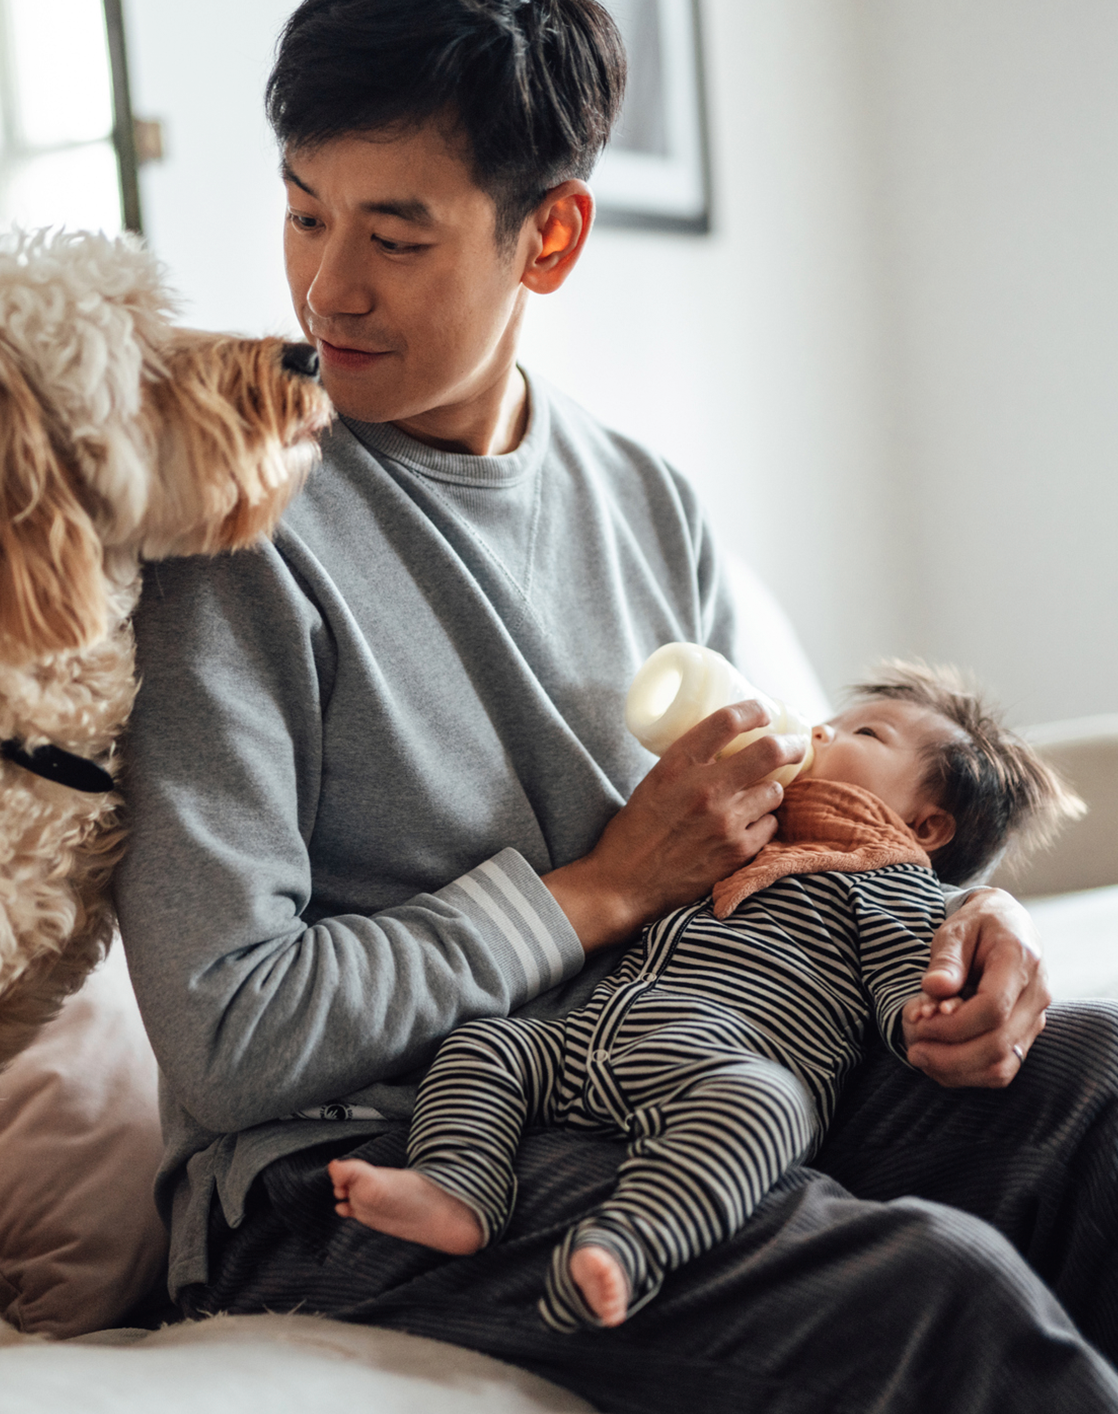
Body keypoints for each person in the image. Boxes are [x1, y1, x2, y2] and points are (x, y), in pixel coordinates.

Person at [115, 2, 1118, 1408]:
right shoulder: (234, 528)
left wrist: (972, 918)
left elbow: (801, 836)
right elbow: (228, 1041)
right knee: (930, 1298)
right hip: (354, 1166)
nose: (325, 289)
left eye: (395, 237)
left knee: (1096, 1085)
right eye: (301, 214)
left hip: (677, 1072)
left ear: (551, 236)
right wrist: (594, 889)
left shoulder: (650, 507)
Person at [327, 664, 1084, 1331]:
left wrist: (934, 1004)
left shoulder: (883, 884)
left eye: (866, 734)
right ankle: (458, 1185)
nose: (820, 728)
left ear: (925, 825)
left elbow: (912, 982)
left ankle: (628, 1245)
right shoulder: (737, 830)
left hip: (717, 1067)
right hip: (585, 1039)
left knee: (766, 1108)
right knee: (485, 1045)